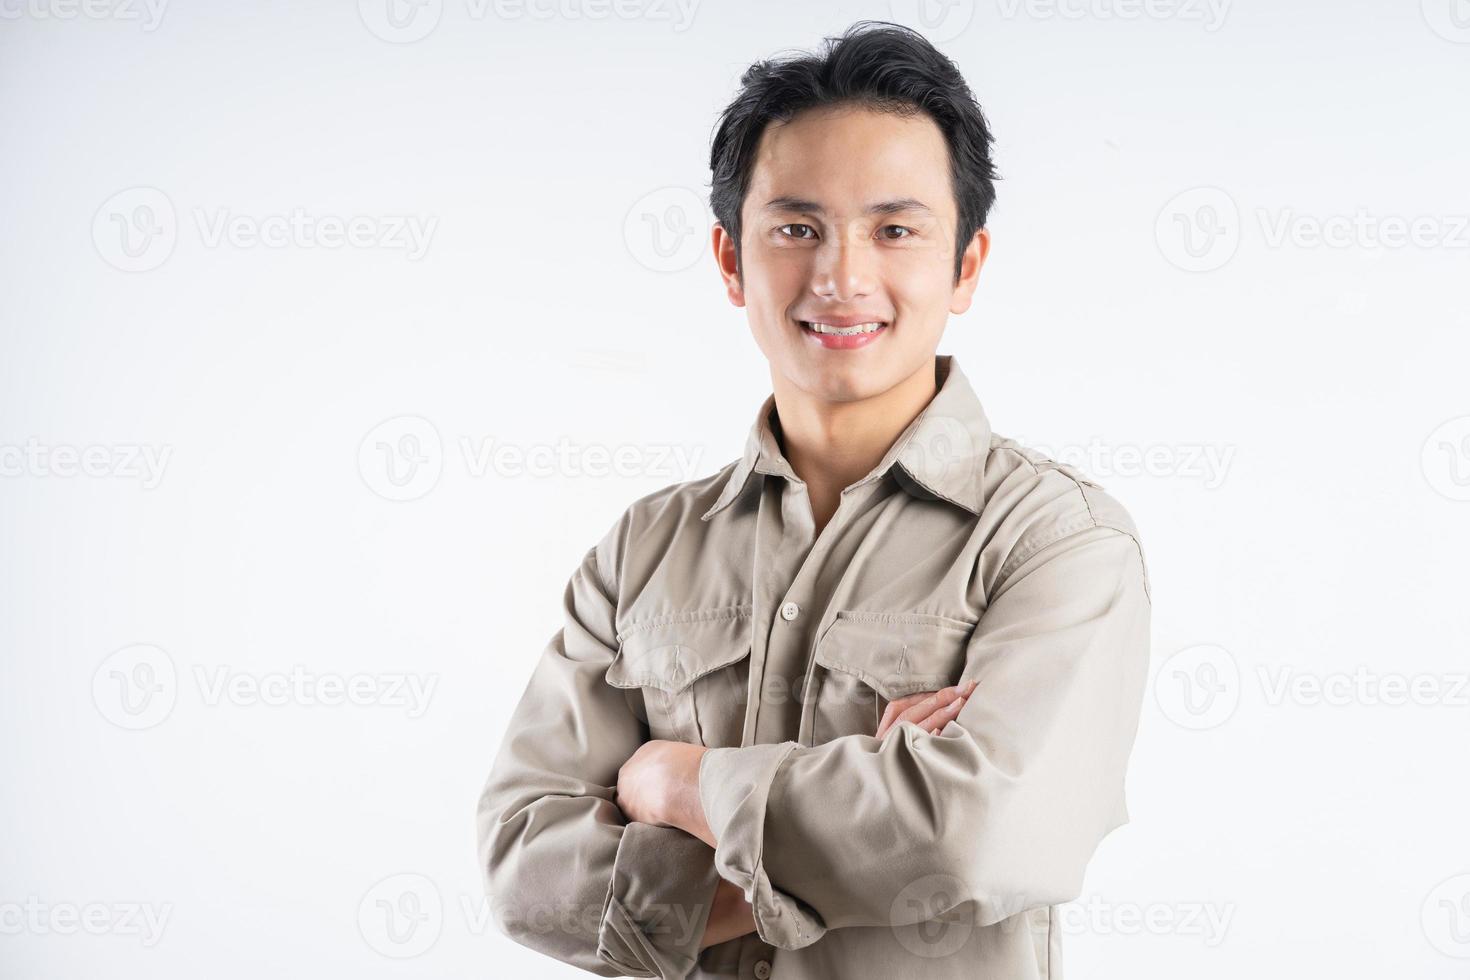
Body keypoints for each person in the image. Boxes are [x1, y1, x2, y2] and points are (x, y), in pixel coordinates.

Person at [476, 20, 1152, 980]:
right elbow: (524, 871)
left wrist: (678, 783)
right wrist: (869, 827)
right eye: (797, 228)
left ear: (964, 265)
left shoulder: (1056, 542)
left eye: (895, 229)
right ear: (729, 260)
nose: (841, 276)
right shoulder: (643, 550)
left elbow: (982, 835)